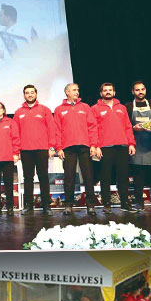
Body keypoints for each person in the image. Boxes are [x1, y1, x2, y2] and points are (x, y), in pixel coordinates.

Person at [54, 83, 100, 215]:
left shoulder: (85, 107)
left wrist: (93, 145)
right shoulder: (59, 109)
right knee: (69, 177)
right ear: (67, 92)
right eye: (74, 90)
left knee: (88, 176)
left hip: (85, 146)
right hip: (67, 148)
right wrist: (59, 147)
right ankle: (68, 205)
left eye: (78, 90)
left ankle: (90, 205)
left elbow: (92, 127)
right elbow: (57, 130)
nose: (77, 92)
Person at [13, 84, 58, 215]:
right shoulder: (18, 112)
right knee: (28, 178)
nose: (30, 95)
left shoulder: (45, 110)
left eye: (32, 92)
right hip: (25, 150)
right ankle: (28, 205)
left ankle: (46, 206)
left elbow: (52, 129)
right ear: (24, 95)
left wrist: (51, 147)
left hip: (42, 149)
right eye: (27, 93)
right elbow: (15, 133)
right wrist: (17, 150)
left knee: (43, 177)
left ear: (36, 94)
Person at [93, 82, 136, 211]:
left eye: (110, 90)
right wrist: (96, 146)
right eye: (105, 90)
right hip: (105, 147)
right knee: (105, 176)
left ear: (114, 92)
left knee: (123, 176)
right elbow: (93, 128)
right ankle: (106, 204)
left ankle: (125, 203)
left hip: (122, 146)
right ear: (101, 93)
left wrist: (131, 143)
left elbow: (128, 127)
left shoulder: (122, 107)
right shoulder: (95, 108)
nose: (108, 92)